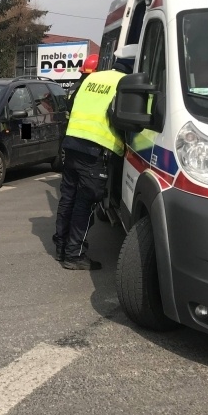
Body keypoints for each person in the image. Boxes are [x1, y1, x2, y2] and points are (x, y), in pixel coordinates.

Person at [52, 58, 132, 270]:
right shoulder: (126, 82)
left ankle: (61, 248)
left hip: (71, 144)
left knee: (68, 198)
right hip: (96, 148)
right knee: (85, 202)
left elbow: (73, 104)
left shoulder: (93, 78)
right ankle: (74, 254)